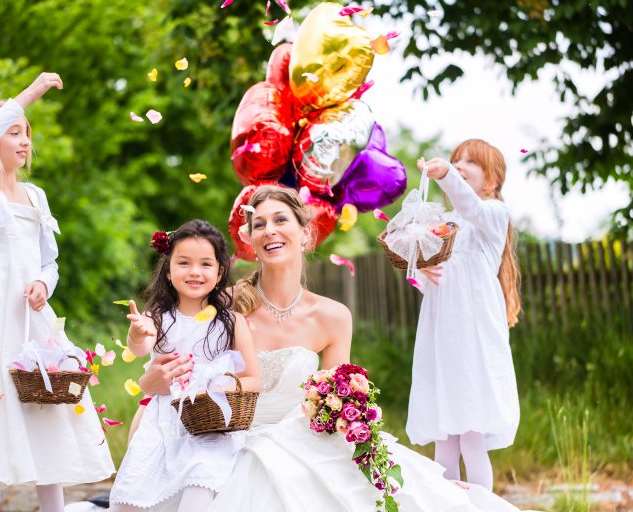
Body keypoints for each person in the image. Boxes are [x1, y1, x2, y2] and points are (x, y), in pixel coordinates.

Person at [67, 185, 521, 511]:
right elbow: (171, 366)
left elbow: (336, 392)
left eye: (280, 220)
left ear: (306, 233)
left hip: (301, 439)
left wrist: (346, 409)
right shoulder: (223, 307)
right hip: (224, 442)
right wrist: (151, 384)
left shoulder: (333, 316)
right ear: (250, 242)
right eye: (258, 224)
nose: (269, 230)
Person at [0, 73, 115, 511]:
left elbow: (48, 261)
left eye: (26, 134)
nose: (24, 142)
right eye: (13, 132)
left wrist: (43, 283)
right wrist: (32, 92)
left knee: (47, 413)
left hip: (32, 319)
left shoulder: (35, 196)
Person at [108, 219, 261, 512]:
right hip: (162, 423)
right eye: (183, 263)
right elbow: (139, 346)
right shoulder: (157, 317)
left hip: (212, 425)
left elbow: (254, 379)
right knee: (132, 498)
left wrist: (219, 385)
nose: (194, 272)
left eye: (205, 264)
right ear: (168, 271)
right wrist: (137, 333)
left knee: (199, 487)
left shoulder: (231, 323)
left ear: (219, 273)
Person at [407, 139, 521, 491]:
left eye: (471, 161)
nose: (460, 164)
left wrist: (446, 176)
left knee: (470, 435)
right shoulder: (443, 223)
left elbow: (471, 207)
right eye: (457, 159)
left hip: (473, 340)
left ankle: (481, 504)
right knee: (445, 438)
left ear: (492, 180)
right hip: (443, 339)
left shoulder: (493, 215)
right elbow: (426, 277)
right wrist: (422, 271)